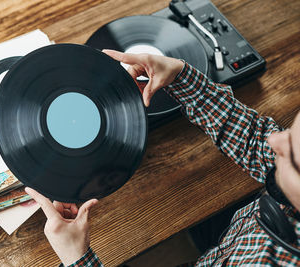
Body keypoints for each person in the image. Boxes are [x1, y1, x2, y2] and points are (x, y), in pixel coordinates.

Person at [25, 49, 300, 266]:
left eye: (293, 159)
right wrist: (180, 76)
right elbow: (255, 138)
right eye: (290, 132)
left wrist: (77, 258)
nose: (275, 140)